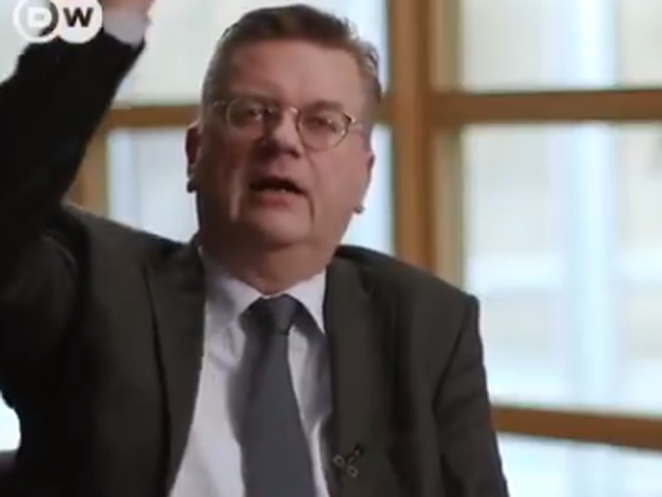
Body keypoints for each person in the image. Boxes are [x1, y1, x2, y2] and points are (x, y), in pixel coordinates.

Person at [0, 2, 509, 497]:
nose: (283, 140)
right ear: (195, 154)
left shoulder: (426, 324)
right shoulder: (88, 287)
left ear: (364, 177)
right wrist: (111, 17)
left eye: (323, 122)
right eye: (251, 113)